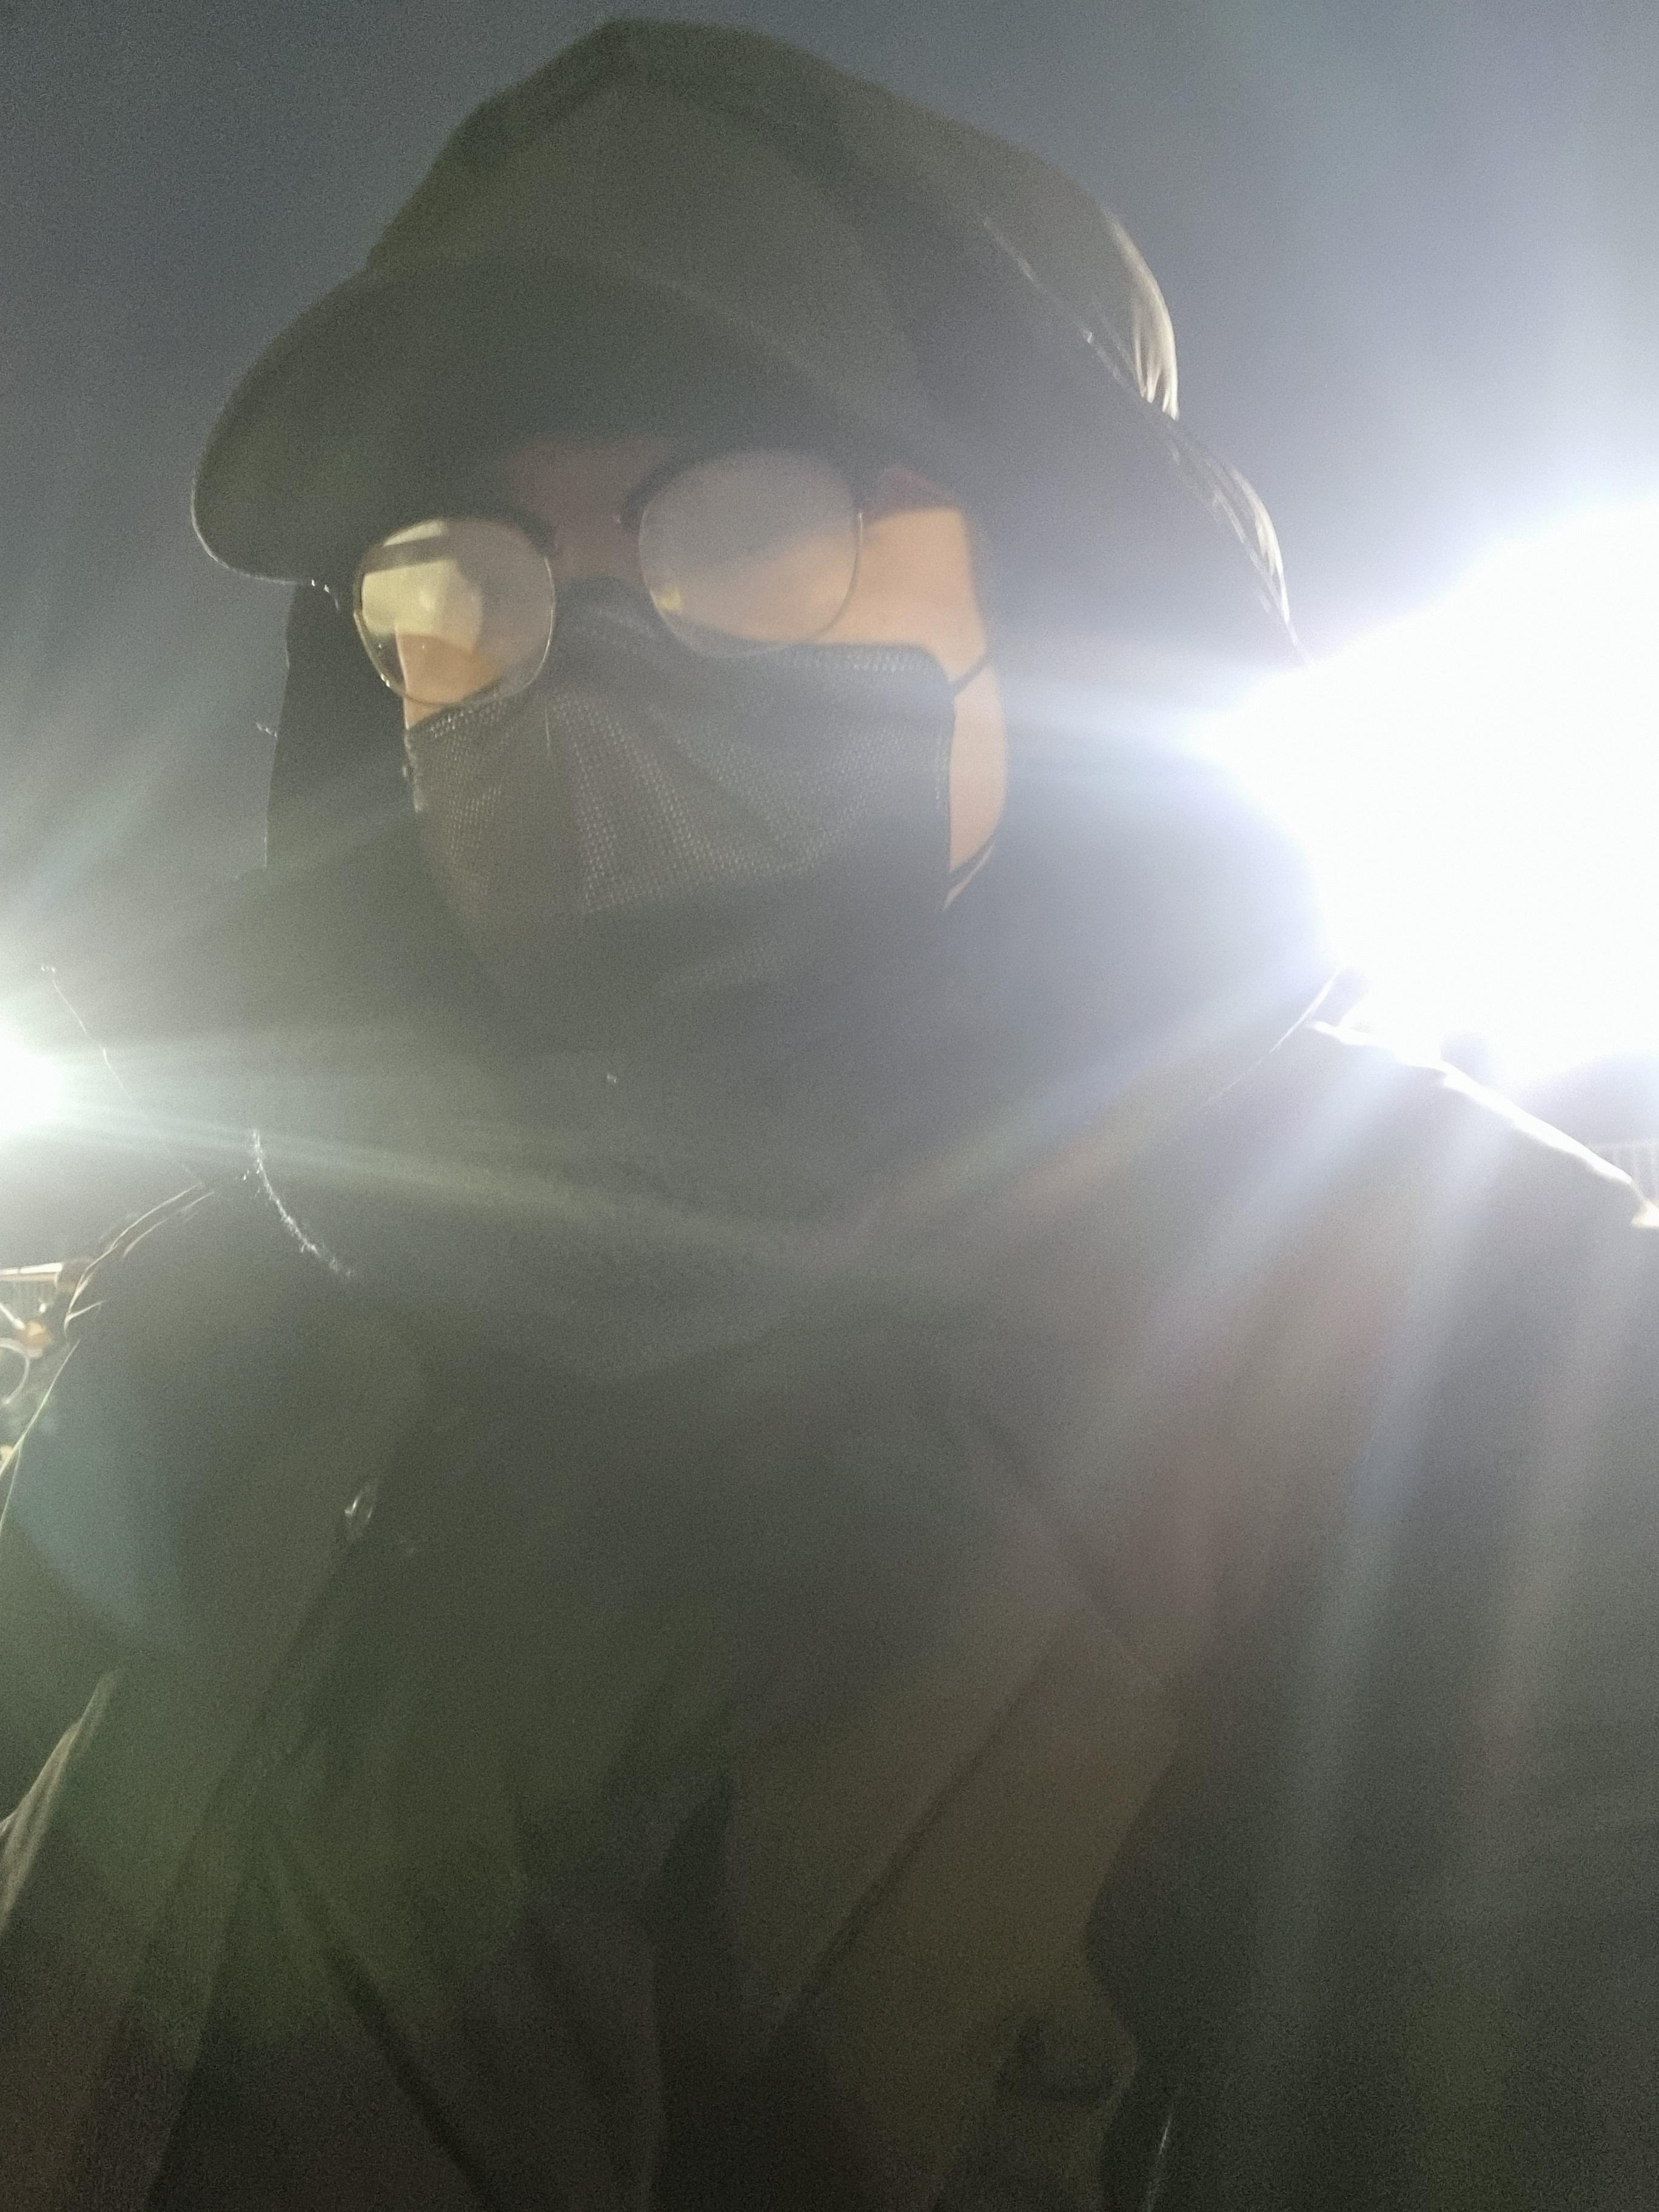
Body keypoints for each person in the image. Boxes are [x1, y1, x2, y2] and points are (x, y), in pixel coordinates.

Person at [3, 20, 1657, 2210]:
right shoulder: (241, 1291)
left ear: (1054, 594)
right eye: (459, 584)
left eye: (751, 532)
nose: (573, 672)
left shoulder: (1470, 1347)